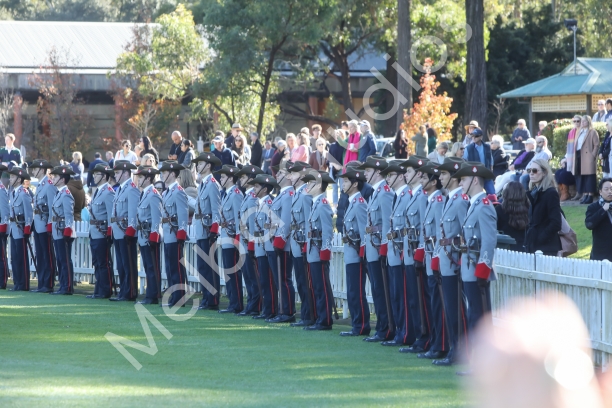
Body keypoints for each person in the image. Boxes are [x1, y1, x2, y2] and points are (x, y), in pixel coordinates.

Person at [452, 162, 497, 375]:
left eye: (464, 179)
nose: (461, 183)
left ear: (475, 180)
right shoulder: (474, 204)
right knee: (474, 316)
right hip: (469, 268)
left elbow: (489, 241)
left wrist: (483, 269)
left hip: (477, 270)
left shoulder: (484, 205)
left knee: (479, 319)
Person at [431, 157, 468, 366]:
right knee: (450, 309)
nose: (440, 177)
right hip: (447, 260)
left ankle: (461, 351)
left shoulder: (461, 200)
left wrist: (461, 260)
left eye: (444, 174)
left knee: (457, 310)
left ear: (454, 176)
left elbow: (464, 234)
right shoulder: (450, 199)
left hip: (454, 262)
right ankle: (455, 349)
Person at [399, 156, 433, 355]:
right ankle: (419, 336)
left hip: (417, 254)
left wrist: (419, 253)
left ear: (419, 173)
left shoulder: (421, 196)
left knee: (421, 299)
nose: (406, 174)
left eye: (409, 171)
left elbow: (423, 228)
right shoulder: (413, 194)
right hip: (409, 253)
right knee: (413, 298)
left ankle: (425, 337)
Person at [359, 156, 395, 342]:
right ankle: (382, 327)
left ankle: (386, 328)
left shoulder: (384, 192)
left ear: (378, 172)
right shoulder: (375, 193)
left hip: (380, 248)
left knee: (382, 291)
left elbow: (388, 223)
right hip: (373, 248)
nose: (365, 173)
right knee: (376, 290)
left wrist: (384, 248)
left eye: (368, 170)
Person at [379, 161, 413, 347]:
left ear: (400, 176)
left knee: (403, 296)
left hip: (401, 253)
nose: (387, 179)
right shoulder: (398, 196)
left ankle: (405, 333)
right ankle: (400, 331)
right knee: (396, 295)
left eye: (391, 175)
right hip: (395, 252)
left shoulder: (406, 196)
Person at [337, 168, 370, 337]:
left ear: (355, 184)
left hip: (357, 255)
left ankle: (361, 325)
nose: (343, 184)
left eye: (346, 181)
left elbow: (364, 231)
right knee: (351, 291)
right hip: (351, 254)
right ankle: (357, 324)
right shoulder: (352, 202)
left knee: (356, 292)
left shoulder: (359, 203)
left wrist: (363, 252)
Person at [302, 171, 335, 331]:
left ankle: (325, 320)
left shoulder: (322, 204)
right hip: (313, 252)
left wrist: (325, 251)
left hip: (319, 252)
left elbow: (328, 231)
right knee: (316, 287)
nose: (308, 185)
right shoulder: (315, 204)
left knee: (321, 288)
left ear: (319, 186)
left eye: (311, 183)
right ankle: (320, 318)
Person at [285, 162, 315, 327]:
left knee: (306, 283)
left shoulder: (305, 195)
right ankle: (305, 315)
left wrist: (306, 244)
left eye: (294, 174)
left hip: (302, 244)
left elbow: (309, 222)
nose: (290, 177)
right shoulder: (297, 194)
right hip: (296, 244)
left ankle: (309, 315)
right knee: (300, 282)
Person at [266, 160, 296, 323]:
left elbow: (286, 222)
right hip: (275, 241)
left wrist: (280, 241)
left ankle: (287, 311)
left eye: (280, 172)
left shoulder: (288, 195)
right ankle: (282, 309)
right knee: (279, 279)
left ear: (289, 176)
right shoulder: (282, 195)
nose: (276, 175)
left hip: (282, 245)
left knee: (283, 279)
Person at [192, 152, 222, 311]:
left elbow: (216, 210)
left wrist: (214, 230)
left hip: (208, 230)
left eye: (200, 163)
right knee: (202, 266)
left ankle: (212, 299)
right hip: (200, 229)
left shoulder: (212, 184)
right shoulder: (203, 184)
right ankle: (206, 297)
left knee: (210, 266)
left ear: (208, 165)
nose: (197, 166)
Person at [248, 174, 280, 320]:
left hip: (267, 246)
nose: (254, 189)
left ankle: (271, 309)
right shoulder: (260, 203)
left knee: (269, 280)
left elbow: (273, 226)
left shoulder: (269, 203)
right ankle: (267, 310)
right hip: (260, 246)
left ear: (265, 189)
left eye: (256, 186)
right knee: (263, 280)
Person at [159, 160, 189, 307]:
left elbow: (183, 214)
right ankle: (173, 296)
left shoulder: (178, 191)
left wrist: (182, 232)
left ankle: (179, 298)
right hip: (167, 233)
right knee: (170, 267)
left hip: (175, 233)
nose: (162, 175)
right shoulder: (167, 192)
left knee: (176, 268)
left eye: (164, 173)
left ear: (172, 174)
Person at [214, 165, 244, 314]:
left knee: (233, 272)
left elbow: (239, 219)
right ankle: (233, 302)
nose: (221, 179)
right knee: (228, 271)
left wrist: (237, 237)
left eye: (224, 177)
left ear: (231, 178)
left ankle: (236, 303)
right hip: (226, 236)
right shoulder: (227, 194)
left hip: (232, 238)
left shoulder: (236, 194)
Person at [236, 164, 264, 317]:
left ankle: (255, 305)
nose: (241, 179)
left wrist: (251, 242)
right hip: (243, 241)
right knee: (247, 275)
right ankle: (251, 304)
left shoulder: (252, 198)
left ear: (251, 179)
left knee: (253, 276)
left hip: (248, 242)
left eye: (244, 177)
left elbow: (253, 222)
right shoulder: (247, 196)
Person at [109, 160, 140, 302]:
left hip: (126, 232)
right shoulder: (120, 189)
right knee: (121, 264)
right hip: (118, 231)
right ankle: (123, 290)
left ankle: (130, 292)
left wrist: (131, 229)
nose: (115, 175)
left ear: (126, 173)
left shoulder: (131, 189)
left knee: (128, 264)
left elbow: (133, 212)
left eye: (117, 172)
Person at [133, 165, 163, 304]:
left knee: (152, 266)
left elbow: (157, 217)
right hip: (143, 235)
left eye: (141, 177)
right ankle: (150, 293)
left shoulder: (153, 194)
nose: (138, 179)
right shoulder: (145, 193)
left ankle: (153, 295)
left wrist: (154, 234)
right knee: (147, 265)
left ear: (148, 178)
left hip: (150, 235)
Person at [86, 164, 115, 299]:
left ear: (104, 176)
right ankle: (98, 289)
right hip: (94, 232)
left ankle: (106, 290)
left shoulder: (108, 192)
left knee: (103, 262)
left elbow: (110, 215)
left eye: (96, 174)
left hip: (102, 232)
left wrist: (109, 232)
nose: (93, 176)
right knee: (97, 262)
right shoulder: (98, 191)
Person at [29, 160, 57, 293]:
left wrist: (50, 223)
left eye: (35, 169)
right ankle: (41, 283)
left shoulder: (49, 185)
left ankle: (48, 283)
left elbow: (52, 207)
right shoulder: (41, 185)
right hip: (38, 223)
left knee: (47, 255)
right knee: (40, 255)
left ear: (42, 170)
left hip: (45, 224)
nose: (33, 171)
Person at [524, 159, 562, 255]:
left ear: (544, 172)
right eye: (529, 170)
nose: (531, 173)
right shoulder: (534, 193)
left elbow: (556, 223)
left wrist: (540, 238)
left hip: (546, 247)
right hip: (533, 245)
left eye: (535, 170)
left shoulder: (550, 193)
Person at [49, 165, 76, 295]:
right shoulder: (59, 193)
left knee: (65, 259)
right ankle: (63, 284)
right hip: (57, 230)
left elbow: (69, 215)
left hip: (63, 231)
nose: (53, 178)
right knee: (60, 259)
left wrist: (68, 230)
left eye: (56, 176)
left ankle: (67, 286)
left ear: (62, 179)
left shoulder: (66, 195)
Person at [7, 165, 33, 291]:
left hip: (20, 228)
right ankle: (17, 282)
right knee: (14, 257)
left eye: (13, 177)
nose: (10, 179)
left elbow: (29, 213)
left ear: (19, 179)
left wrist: (28, 227)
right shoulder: (13, 193)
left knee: (22, 258)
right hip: (13, 229)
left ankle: (24, 284)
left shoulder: (24, 193)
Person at [570, 115, 600, 204]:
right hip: (579, 155)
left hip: (588, 156)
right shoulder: (580, 132)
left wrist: (593, 155)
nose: (582, 123)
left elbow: (596, 145)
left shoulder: (592, 132)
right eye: (582, 121)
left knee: (590, 176)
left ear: (588, 122)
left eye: (584, 121)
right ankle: (585, 194)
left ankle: (590, 195)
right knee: (582, 175)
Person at [495, 181, 529, 252]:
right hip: (524, 249)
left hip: (504, 249)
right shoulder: (528, 209)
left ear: (506, 193)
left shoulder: (499, 210)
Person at [585, 178, 612, 261]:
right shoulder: (593, 207)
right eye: (606, 189)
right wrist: (603, 210)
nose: (610, 192)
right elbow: (589, 224)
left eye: (611, 189)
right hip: (601, 253)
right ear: (600, 192)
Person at [556, 115, 582, 201]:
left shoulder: (582, 133)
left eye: (578, 121)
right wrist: (563, 160)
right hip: (569, 160)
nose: (576, 123)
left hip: (577, 161)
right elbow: (568, 151)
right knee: (558, 173)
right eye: (574, 121)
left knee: (563, 174)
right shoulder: (571, 133)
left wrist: (567, 160)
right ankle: (564, 193)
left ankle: (566, 194)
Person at [463, 128, 494, 194]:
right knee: (475, 195)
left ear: (481, 137)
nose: (474, 138)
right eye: (472, 136)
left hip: (486, 174)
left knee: (492, 194)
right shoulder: (468, 148)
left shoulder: (487, 147)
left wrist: (491, 170)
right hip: (474, 176)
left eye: (476, 136)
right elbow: (465, 161)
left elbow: (491, 160)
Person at [328, 129, 346, 206]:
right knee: (334, 188)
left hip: (343, 169)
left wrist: (341, 167)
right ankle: (335, 205)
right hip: (333, 169)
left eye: (339, 134)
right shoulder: (332, 146)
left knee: (342, 188)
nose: (337, 136)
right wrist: (335, 165)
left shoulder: (345, 145)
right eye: (336, 135)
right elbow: (329, 158)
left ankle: (342, 204)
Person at [0, 164, 8, 290]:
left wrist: (2, 228)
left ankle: (2, 280)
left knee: (1, 257)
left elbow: (5, 212)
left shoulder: (1, 190)